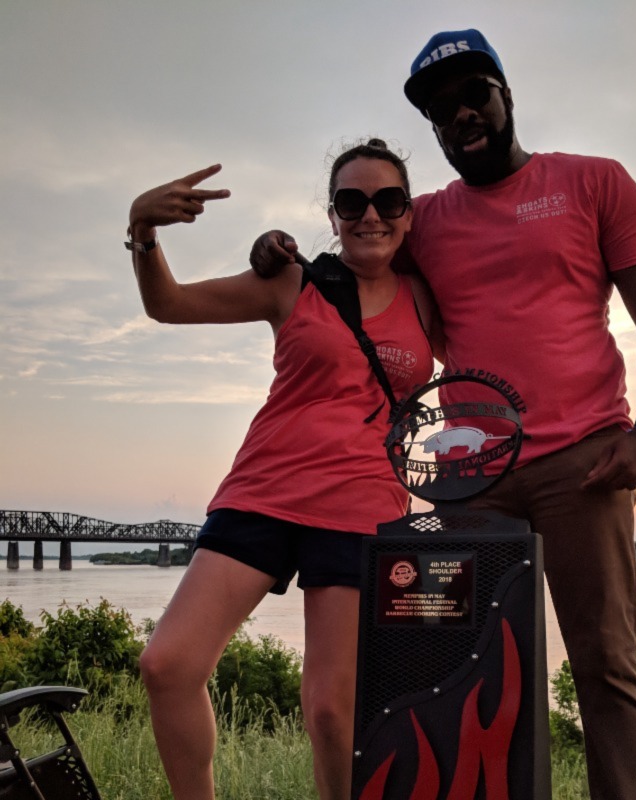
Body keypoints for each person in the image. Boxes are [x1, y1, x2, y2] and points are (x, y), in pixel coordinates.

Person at [250, 29, 636, 800]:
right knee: (459, 667)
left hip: (587, 461)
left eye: (473, 96)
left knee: (606, 662)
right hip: (467, 479)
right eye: (441, 111)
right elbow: (359, 251)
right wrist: (275, 249)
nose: (461, 117)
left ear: (505, 94)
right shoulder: (427, 219)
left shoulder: (594, 183)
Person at [128, 139, 436, 800]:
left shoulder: (429, 296)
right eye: (352, 202)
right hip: (263, 491)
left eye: (389, 200)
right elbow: (169, 304)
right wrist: (143, 229)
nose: (370, 215)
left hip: (363, 506)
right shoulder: (293, 281)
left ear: (410, 214)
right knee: (168, 665)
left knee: (332, 709)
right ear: (332, 215)